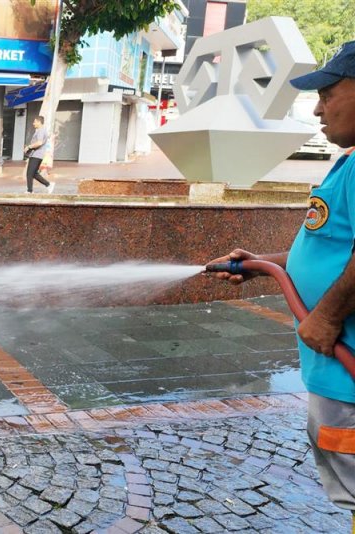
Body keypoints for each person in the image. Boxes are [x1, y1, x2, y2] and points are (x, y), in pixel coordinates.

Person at [207, 41, 355, 532]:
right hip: (333, 368)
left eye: (329, 93)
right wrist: (260, 263)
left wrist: (329, 315)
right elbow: (329, 249)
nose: (318, 107)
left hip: (345, 368)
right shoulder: (349, 163)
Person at [23, 115, 55, 194]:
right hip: (38, 155)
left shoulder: (41, 130)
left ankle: (29, 190)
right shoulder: (41, 130)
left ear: (39, 122)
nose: (33, 123)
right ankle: (48, 185)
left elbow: (39, 142)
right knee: (34, 173)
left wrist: (28, 147)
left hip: (36, 155)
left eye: (34, 122)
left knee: (29, 173)